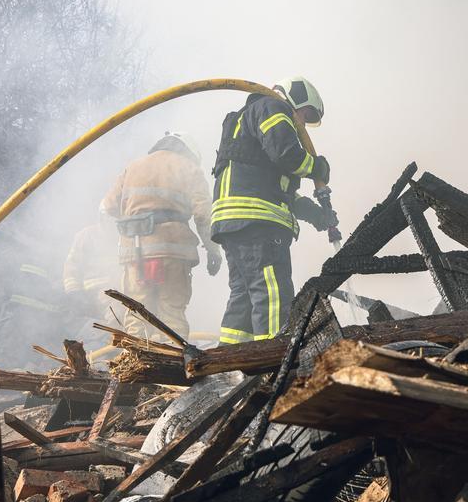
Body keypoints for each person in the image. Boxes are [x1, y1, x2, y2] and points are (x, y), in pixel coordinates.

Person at [210, 77, 337, 345]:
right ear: (295, 100)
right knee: (272, 293)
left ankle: (229, 367)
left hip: (237, 223)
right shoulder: (272, 107)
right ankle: (274, 365)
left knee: (244, 297)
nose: (301, 123)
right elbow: (287, 155)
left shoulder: (251, 117)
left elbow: (277, 191)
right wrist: (318, 167)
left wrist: (316, 214)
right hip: (257, 224)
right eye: (305, 114)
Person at [102, 131, 222, 340]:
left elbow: (109, 206)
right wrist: (214, 250)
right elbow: (204, 215)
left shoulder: (132, 167)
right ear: (189, 152)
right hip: (172, 251)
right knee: (172, 313)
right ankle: (172, 364)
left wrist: (137, 217)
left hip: (135, 253)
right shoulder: (189, 167)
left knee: (136, 312)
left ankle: (135, 365)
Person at [62, 206, 122, 330]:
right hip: (96, 293)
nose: (113, 223)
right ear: (102, 218)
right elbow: (72, 266)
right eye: (110, 218)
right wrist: (74, 292)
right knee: (116, 319)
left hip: (119, 293)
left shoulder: (124, 236)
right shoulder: (87, 235)